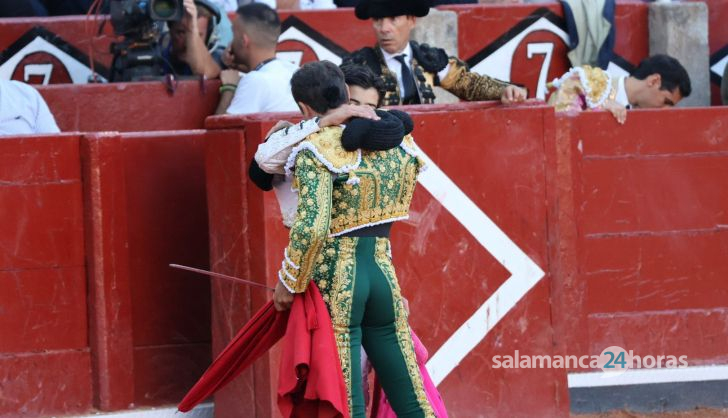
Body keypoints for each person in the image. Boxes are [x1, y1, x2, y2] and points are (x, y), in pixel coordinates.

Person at [273, 60, 435, 418]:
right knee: (410, 391)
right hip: (381, 267)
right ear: (346, 95)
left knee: (345, 391)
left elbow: (312, 228)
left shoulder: (315, 147)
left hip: (338, 277)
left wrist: (289, 280)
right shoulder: (398, 142)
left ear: (304, 107)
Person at [342, 0, 527, 106]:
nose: (384, 28)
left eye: (393, 20)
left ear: (411, 21)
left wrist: (504, 90)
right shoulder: (359, 65)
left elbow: (469, 84)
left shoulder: (428, 60)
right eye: (378, 20)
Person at [547, 54, 692, 124]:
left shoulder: (649, 120)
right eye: (666, 101)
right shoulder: (586, 82)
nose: (665, 109)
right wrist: (598, 109)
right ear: (654, 81)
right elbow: (556, 126)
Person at [215, 3, 299, 114]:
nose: (230, 43)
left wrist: (229, 88)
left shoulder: (254, 81)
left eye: (233, 35)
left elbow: (220, 130)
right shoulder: (294, 70)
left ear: (244, 41)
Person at [162, 0, 227, 78]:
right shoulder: (157, 54)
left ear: (209, 36)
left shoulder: (219, 56)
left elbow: (205, 74)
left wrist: (192, 29)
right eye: (181, 33)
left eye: (198, 35)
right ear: (170, 30)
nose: (187, 44)